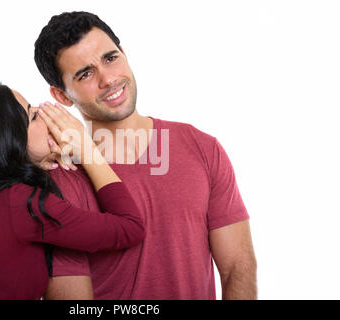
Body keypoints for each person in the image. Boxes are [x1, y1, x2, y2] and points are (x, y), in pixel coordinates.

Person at [34, 11, 257, 299]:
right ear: (62, 97)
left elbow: (237, 266)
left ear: (124, 53)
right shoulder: (61, 179)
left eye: (110, 58)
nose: (108, 79)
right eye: (85, 74)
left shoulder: (202, 147)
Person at [0, 84, 146, 300]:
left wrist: (39, 162)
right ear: (11, 146)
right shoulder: (21, 204)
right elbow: (130, 227)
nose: (46, 113)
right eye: (33, 116)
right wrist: (88, 152)